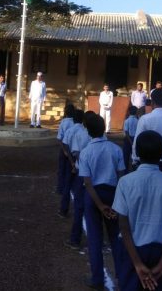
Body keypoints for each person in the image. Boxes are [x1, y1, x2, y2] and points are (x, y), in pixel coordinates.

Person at [112, 130, 162, 291]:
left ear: (136, 152)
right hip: (159, 250)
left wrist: (137, 263)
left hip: (132, 248)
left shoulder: (125, 182)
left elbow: (123, 224)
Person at [78, 114, 125, 290]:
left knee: (95, 238)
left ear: (88, 131)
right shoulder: (116, 149)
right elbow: (121, 176)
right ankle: (122, 273)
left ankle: (97, 278)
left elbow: (87, 182)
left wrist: (99, 205)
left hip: (93, 196)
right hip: (112, 193)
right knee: (115, 236)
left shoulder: (86, 152)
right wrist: (116, 201)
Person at [133, 89, 162, 176]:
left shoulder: (144, 119)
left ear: (152, 102)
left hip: (147, 162)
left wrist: (135, 159)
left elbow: (137, 141)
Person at [62, 109, 90, 250]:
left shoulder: (76, 131)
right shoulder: (84, 133)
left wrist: (73, 163)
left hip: (77, 165)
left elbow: (66, 144)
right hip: (85, 169)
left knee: (70, 188)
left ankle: (63, 210)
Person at [57, 104, 76, 215]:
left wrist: (64, 150)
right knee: (70, 169)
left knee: (62, 169)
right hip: (73, 149)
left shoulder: (64, 122)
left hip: (65, 149)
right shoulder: (74, 123)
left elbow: (60, 137)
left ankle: (61, 187)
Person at [122, 106, 138, 173]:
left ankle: (126, 171)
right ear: (136, 112)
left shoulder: (127, 121)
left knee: (126, 156)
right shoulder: (138, 120)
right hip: (135, 138)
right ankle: (135, 169)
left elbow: (126, 131)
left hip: (128, 139)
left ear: (129, 112)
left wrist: (130, 141)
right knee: (135, 156)